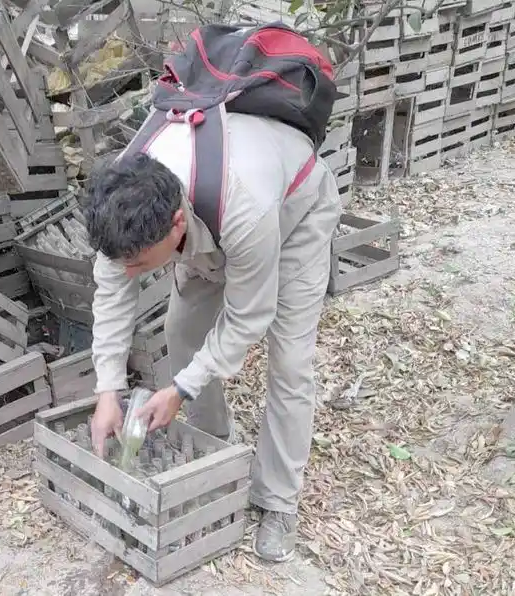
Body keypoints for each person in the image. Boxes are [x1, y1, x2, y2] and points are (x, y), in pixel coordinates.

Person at [82, 103, 342, 562]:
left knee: (290, 363)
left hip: (293, 213)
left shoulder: (245, 205)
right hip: (211, 227)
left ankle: (278, 502)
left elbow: (249, 316)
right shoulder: (120, 206)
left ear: (176, 224)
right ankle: (215, 446)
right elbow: (111, 296)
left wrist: (180, 389)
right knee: (181, 331)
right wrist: (107, 390)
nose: (131, 274)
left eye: (140, 265)